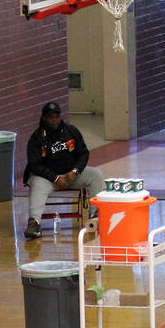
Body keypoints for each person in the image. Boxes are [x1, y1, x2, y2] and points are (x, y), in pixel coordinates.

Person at [21, 101, 104, 240]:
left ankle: (95, 217)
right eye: (50, 117)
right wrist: (55, 178)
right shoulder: (36, 138)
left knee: (96, 174)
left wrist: (75, 171)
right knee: (37, 184)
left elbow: (83, 153)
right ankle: (34, 223)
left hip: (71, 175)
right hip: (47, 178)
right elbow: (34, 165)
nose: (54, 120)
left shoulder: (71, 131)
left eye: (57, 117)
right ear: (43, 118)